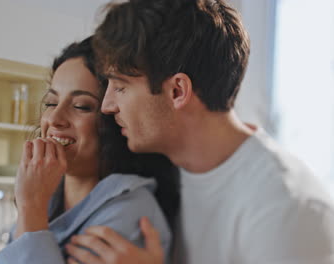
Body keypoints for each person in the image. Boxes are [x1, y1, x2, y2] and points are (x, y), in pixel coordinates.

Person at [64, 1, 334, 264]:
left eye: (120, 87)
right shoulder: (165, 171)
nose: (107, 106)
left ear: (177, 91)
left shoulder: (285, 207)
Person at [0, 37, 180, 264]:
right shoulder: (47, 201)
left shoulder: (130, 214)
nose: (54, 118)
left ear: (117, 120)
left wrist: (31, 208)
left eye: (81, 106)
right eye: (51, 103)